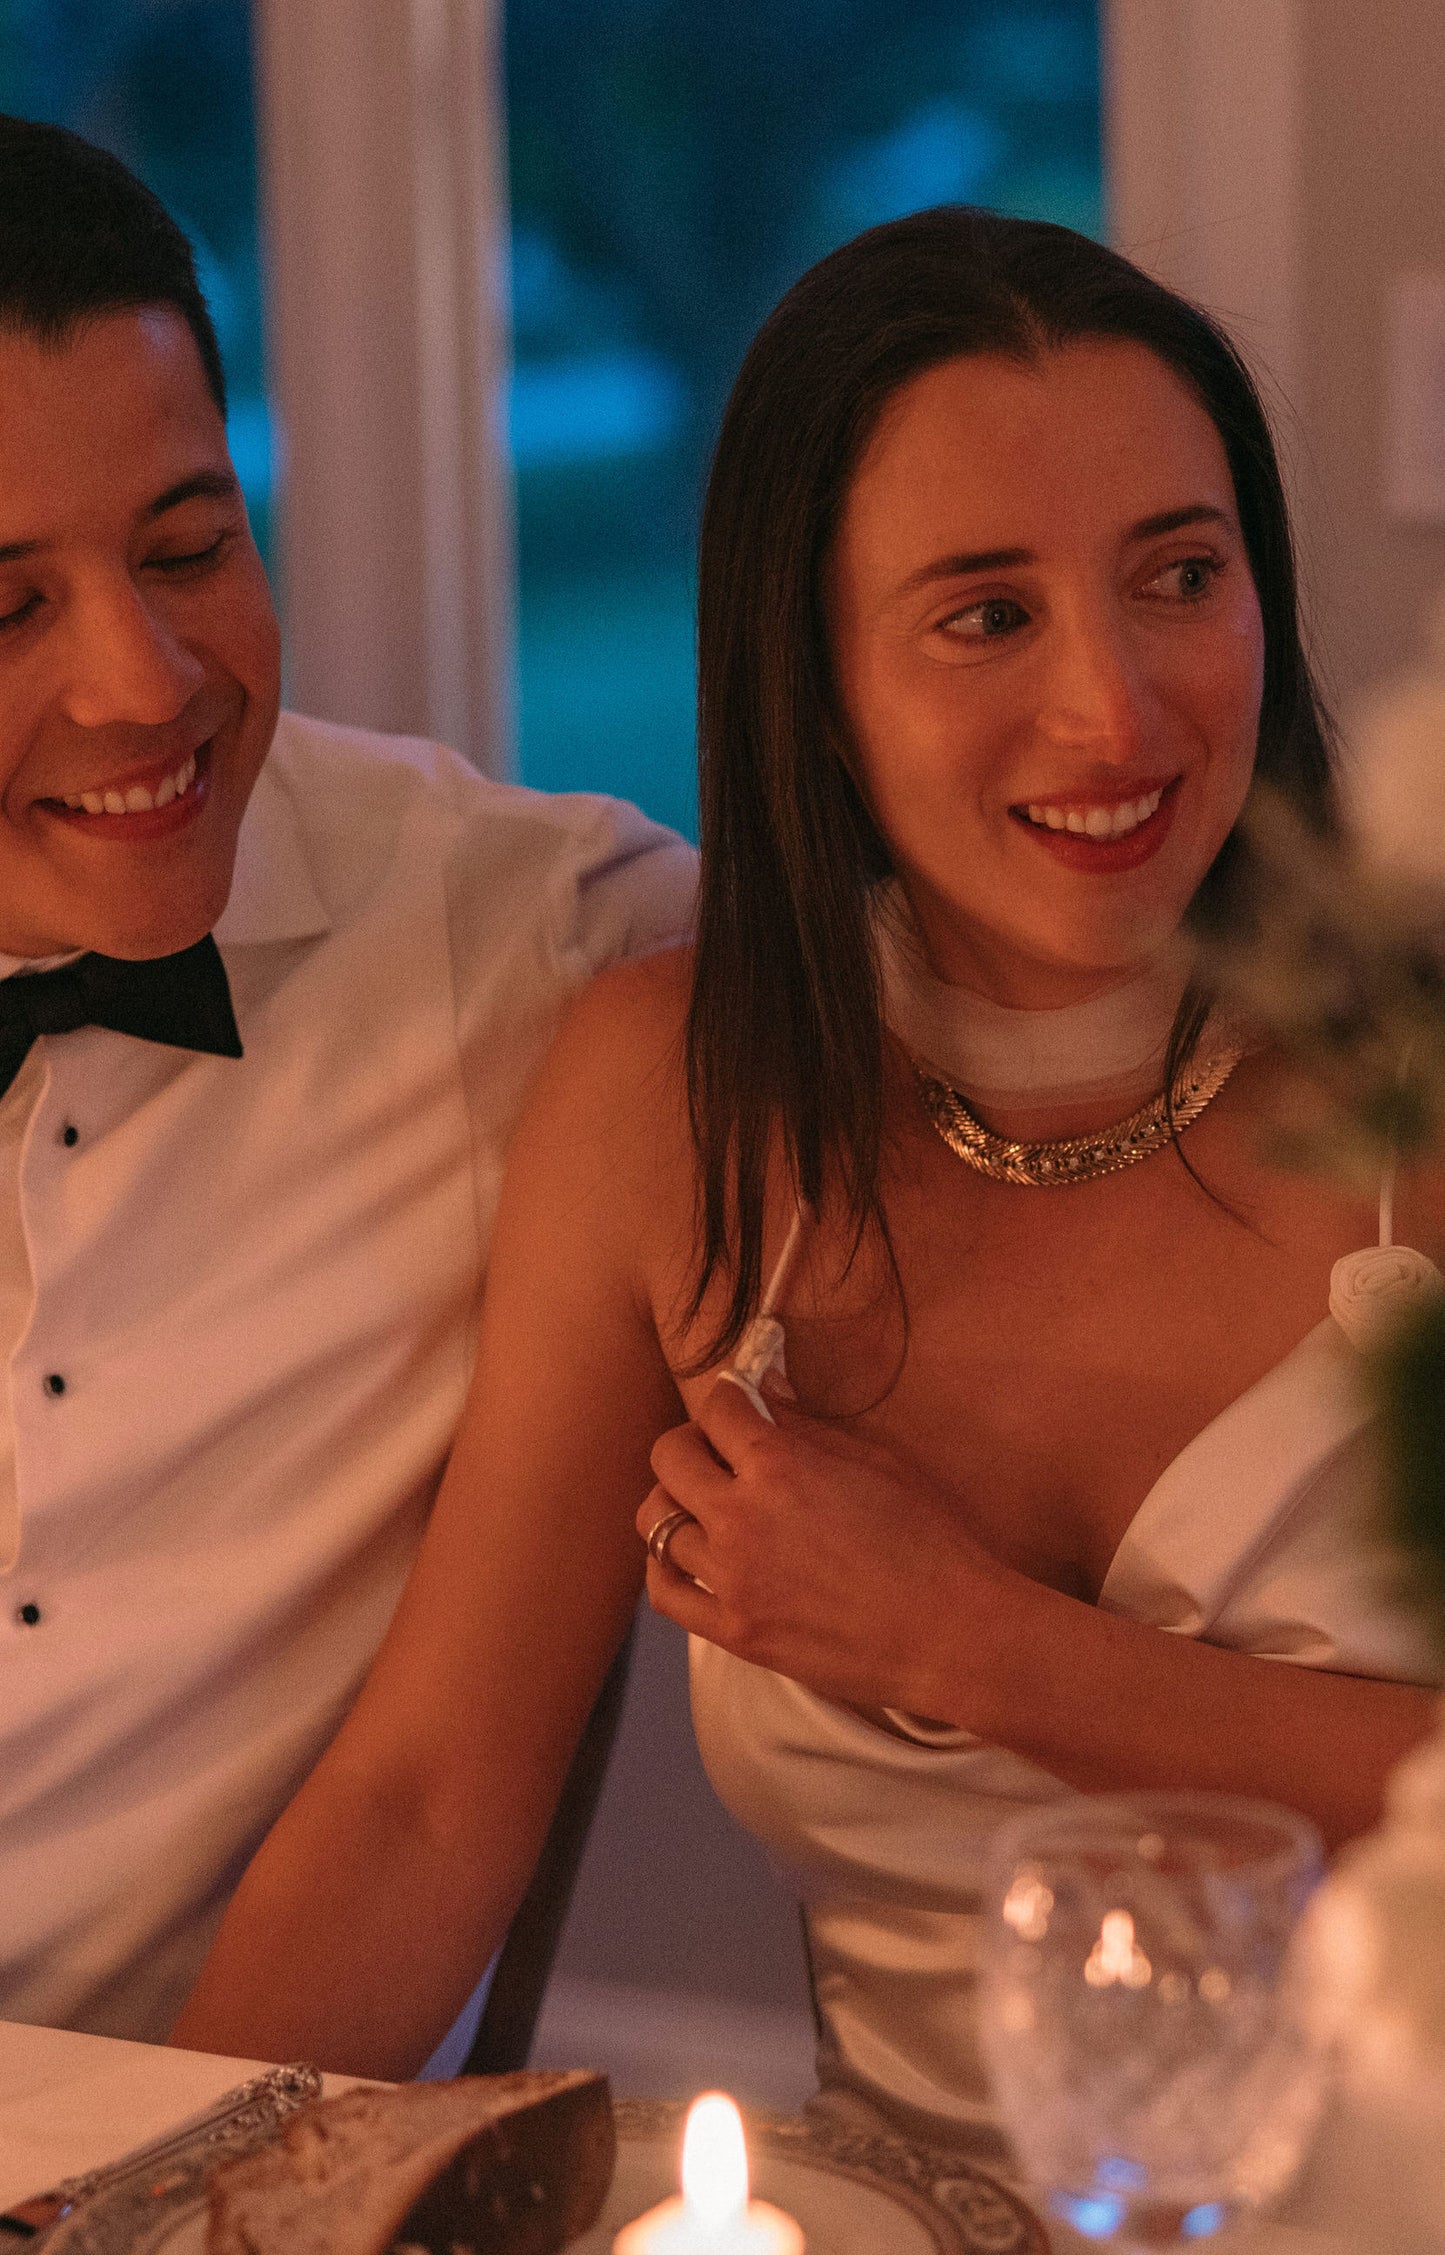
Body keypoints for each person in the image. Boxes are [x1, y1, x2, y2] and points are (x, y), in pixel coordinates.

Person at [174, 208, 1441, 2155]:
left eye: (1179, 576)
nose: (1115, 710)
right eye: (987, 613)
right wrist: (135, 2202)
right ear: (815, 674)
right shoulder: (672, 1103)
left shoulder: (1414, 1080)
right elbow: (427, 1811)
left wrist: (976, 1650)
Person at [0, 114, 694, 2045]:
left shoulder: (537, 945)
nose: (143, 684)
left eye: (189, 548)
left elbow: (983, 1006)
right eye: (8, 609)